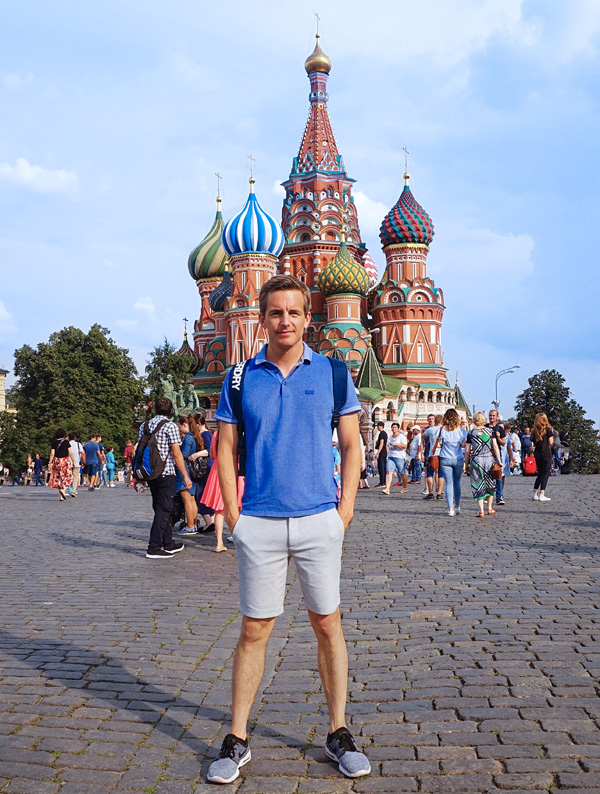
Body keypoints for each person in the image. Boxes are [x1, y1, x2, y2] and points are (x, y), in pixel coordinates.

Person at [208, 274, 369, 784]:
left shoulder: (333, 373)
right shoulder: (239, 377)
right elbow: (227, 447)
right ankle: (236, 739)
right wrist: (235, 515)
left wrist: (343, 511)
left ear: (307, 317)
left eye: (293, 312)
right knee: (254, 630)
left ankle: (338, 731)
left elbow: (350, 444)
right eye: (275, 313)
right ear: (262, 318)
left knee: (328, 624)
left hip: (319, 518)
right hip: (261, 520)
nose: (285, 321)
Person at [140, 397, 193, 559]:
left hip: (151, 472)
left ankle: (168, 542)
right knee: (164, 509)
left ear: (155, 409)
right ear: (170, 411)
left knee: (160, 507)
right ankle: (154, 547)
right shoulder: (170, 426)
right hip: (166, 472)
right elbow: (177, 454)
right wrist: (185, 476)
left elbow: (140, 450)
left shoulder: (145, 425)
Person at [200, 430, 243, 552]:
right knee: (238, 507)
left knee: (220, 510)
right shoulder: (239, 433)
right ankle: (238, 539)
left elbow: (213, 455)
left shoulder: (217, 434)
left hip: (218, 470)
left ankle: (219, 542)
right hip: (235, 469)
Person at [175, 415, 209, 536]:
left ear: (185, 425)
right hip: (192, 472)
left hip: (185, 472)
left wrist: (177, 447)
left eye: (179, 426)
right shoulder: (195, 437)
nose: (179, 429)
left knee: (187, 499)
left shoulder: (188, 438)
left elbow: (183, 455)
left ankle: (190, 526)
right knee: (192, 499)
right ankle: (193, 524)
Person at [464, 412, 502, 517]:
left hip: (476, 461)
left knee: (477, 484)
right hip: (489, 460)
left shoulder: (471, 433)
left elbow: (467, 451)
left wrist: (466, 464)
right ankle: (489, 508)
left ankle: (481, 510)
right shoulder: (490, 431)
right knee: (490, 483)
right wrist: (499, 460)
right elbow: (495, 446)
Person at [438, 408, 467, 517]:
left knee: (449, 483)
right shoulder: (461, 431)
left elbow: (440, 444)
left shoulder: (442, 430)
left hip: (445, 458)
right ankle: (457, 505)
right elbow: (463, 445)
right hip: (458, 458)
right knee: (457, 483)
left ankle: (450, 508)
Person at [193, 413, 216, 532]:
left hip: (206, 467)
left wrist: (196, 454)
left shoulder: (205, 434)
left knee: (202, 493)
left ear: (199, 424)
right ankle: (210, 522)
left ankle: (208, 521)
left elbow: (210, 450)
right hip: (208, 466)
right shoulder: (206, 433)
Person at [48, 428, 75, 501]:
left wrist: (50, 462)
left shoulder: (54, 442)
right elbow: (70, 453)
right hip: (64, 461)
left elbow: (52, 454)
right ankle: (63, 489)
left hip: (56, 461)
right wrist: (74, 461)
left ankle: (61, 497)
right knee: (70, 477)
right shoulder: (66, 442)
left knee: (59, 478)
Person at [381, 423, 408, 496]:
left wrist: (396, 444)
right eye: (392, 427)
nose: (394, 429)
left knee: (402, 473)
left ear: (398, 428)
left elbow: (404, 446)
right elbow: (388, 445)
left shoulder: (401, 437)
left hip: (399, 457)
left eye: (395, 427)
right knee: (388, 472)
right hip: (391, 456)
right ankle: (387, 489)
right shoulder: (390, 437)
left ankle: (405, 487)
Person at [531, 412, 553, 502]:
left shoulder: (534, 431)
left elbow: (533, 443)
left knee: (540, 473)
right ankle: (542, 494)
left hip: (537, 454)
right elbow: (551, 442)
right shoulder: (548, 430)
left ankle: (534, 493)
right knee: (545, 474)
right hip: (546, 453)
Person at [486, 409, 507, 505]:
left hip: (496, 455)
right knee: (487, 476)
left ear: (497, 417)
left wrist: (498, 437)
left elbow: (503, 443)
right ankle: (487, 495)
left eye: (493, 416)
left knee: (498, 476)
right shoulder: (485, 427)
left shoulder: (499, 428)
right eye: (490, 415)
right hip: (486, 454)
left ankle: (499, 497)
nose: (491, 417)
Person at [68, 433, 84, 497]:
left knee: (68, 477)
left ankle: (69, 489)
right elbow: (82, 453)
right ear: (75, 438)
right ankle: (73, 491)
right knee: (75, 477)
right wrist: (81, 460)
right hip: (76, 463)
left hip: (68, 463)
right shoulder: (78, 444)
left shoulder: (67, 444)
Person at [373, 421, 387, 487]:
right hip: (384, 451)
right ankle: (383, 481)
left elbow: (382, 443)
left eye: (379, 426)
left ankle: (382, 482)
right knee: (382, 466)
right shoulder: (383, 433)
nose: (378, 427)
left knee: (381, 467)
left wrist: (378, 453)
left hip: (382, 452)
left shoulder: (382, 434)